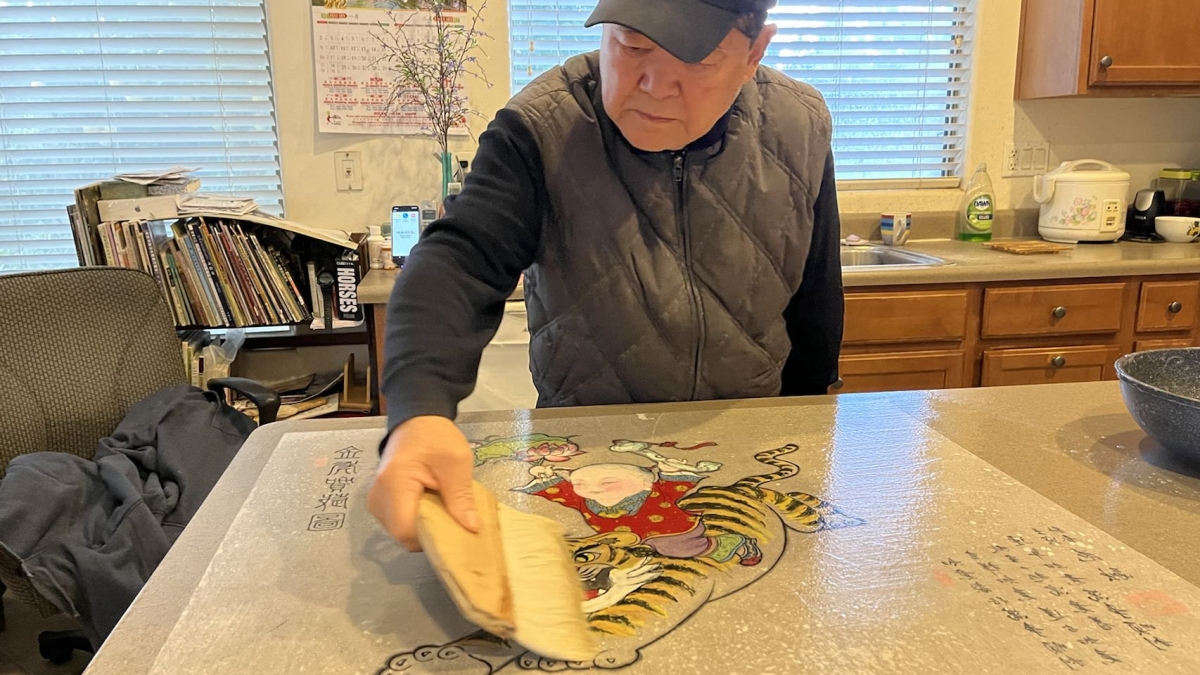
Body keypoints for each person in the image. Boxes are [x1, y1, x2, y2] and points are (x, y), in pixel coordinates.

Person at [369, 0, 844, 551]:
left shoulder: (800, 123)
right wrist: (418, 413)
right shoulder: (542, 126)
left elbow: (816, 293)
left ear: (754, 53)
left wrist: (808, 427)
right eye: (633, 46)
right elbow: (457, 261)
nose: (653, 85)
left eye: (696, 60)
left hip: (750, 445)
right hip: (587, 460)